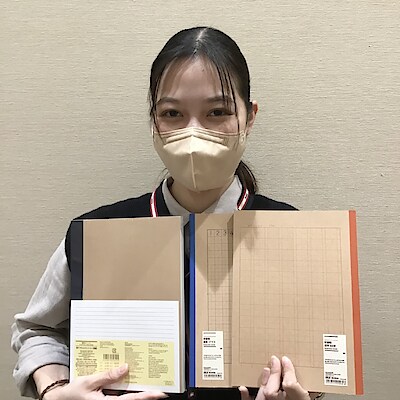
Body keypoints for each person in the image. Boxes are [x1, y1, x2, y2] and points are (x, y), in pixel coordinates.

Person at [11, 27, 324, 400]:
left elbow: (318, 360)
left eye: (217, 112)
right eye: (172, 113)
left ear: (250, 116)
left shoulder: (294, 233)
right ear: (154, 122)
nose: (193, 135)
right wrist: (54, 391)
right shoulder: (95, 232)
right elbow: (37, 330)